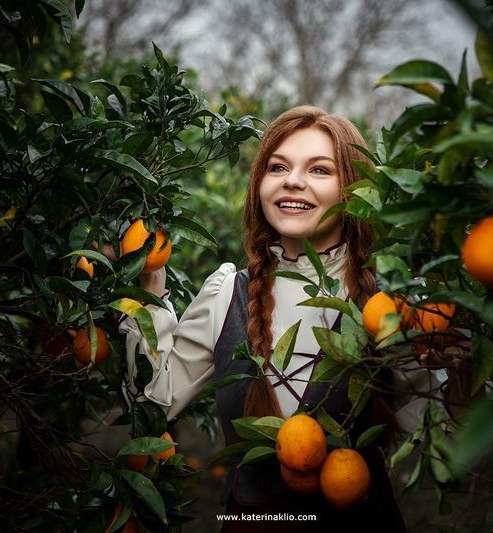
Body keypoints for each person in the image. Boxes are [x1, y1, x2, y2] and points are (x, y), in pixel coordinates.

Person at [119, 106, 454, 531]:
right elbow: (155, 403)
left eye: (319, 170)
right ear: (259, 183)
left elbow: (440, 442)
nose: (292, 180)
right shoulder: (228, 294)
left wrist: (452, 366)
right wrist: (149, 281)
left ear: (355, 189)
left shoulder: (385, 303)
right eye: (278, 166)